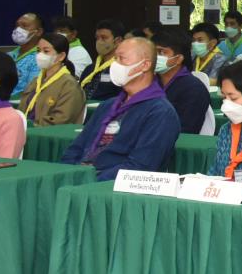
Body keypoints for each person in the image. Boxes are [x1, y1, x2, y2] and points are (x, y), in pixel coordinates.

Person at [60, 37, 178, 180]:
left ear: (145, 65)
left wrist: (88, 179)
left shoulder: (160, 113)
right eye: (115, 59)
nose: (114, 65)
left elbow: (140, 167)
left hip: (109, 186)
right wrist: (65, 174)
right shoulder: (107, 106)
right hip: (81, 177)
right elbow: (76, 148)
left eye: (121, 59)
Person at [19, 31, 84, 126]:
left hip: (45, 132)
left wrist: (31, 126)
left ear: (61, 56)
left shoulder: (69, 85)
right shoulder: (36, 81)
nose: (40, 55)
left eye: (46, 51)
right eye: (38, 50)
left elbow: (61, 119)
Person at [153, 27, 211, 133]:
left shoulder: (193, 89)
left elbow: (186, 129)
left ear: (178, 58)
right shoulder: (148, 82)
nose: (155, 57)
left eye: (161, 52)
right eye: (152, 52)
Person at [81, 18, 126, 102]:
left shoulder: (122, 69)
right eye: (97, 38)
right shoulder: (90, 69)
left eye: (104, 38)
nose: (99, 41)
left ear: (118, 41)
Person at [6, 12, 46, 101]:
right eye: (17, 26)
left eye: (24, 26)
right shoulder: (9, 56)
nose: (18, 29)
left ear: (39, 32)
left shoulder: (40, 58)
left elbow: (32, 90)